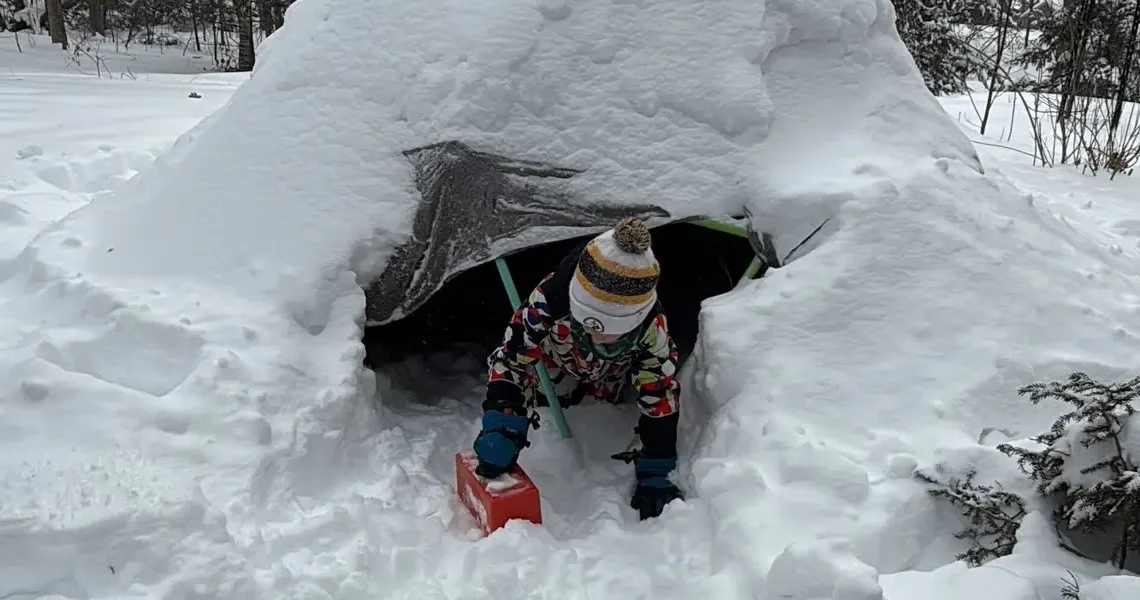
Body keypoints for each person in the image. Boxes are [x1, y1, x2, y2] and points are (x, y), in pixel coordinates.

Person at [471, 217, 684, 520]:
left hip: (614, 368)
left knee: (606, 396)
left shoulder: (652, 328)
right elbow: (512, 360)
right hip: (559, 355)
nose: (600, 335)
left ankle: (599, 393)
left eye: (614, 329)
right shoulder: (548, 300)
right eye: (592, 324)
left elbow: (659, 393)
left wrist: (657, 470)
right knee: (551, 391)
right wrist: (502, 423)